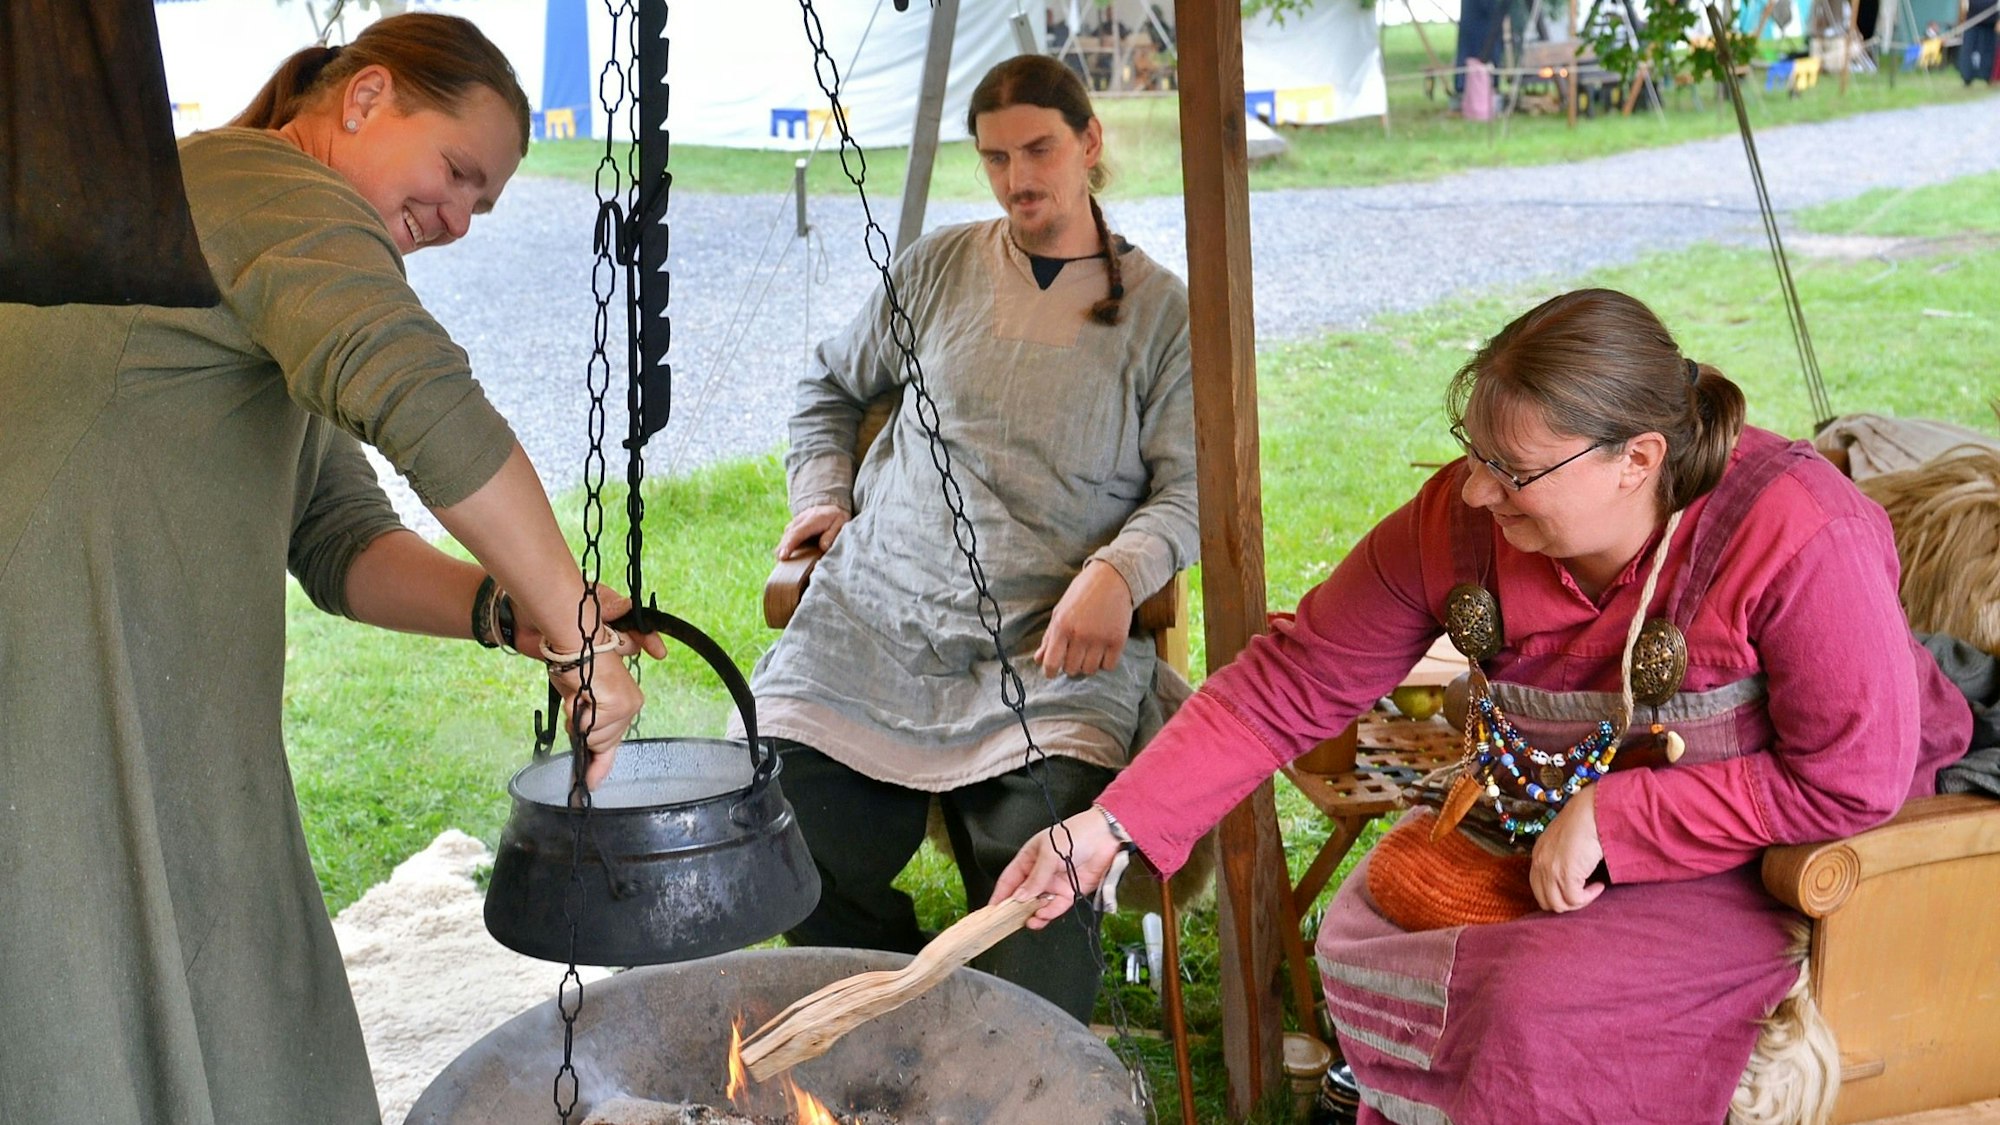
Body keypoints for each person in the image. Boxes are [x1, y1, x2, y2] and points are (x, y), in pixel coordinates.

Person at [995, 288, 1974, 1123]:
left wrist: (1620, 817)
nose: (1471, 493)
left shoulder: (1797, 529)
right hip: (1539, 827)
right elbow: (1293, 680)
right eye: (1473, 454)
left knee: (1533, 1004)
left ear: (1634, 459)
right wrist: (1110, 826)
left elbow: (1849, 777)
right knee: (1368, 919)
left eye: (1510, 472)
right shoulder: (1460, 524)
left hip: (1748, 857)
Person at [0, 14, 657, 1124]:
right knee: (77, 1020)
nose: (453, 221)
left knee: (242, 1009)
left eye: (480, 207)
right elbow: (419, 396)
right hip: (47, 682)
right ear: (364, 99)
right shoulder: (251, 184)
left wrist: (520, 612)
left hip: (164, 707)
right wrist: (581, 633)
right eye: (455, 173)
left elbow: (339, 540)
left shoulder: (269, 275)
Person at [743, 53, 1198, 1023]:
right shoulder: (939, 266)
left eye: (1037, 148)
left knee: (1038, 871)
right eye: (994, 157)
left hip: (1045, 648)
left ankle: (1019, 1063)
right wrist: (821, 492)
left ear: (1087, 143)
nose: (1017, 177)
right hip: (879, 618)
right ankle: (888, 1025)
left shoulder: (1159, 311)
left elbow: (1190, 490)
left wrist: (1119, 574)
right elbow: (829, 388)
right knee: (788, 826)